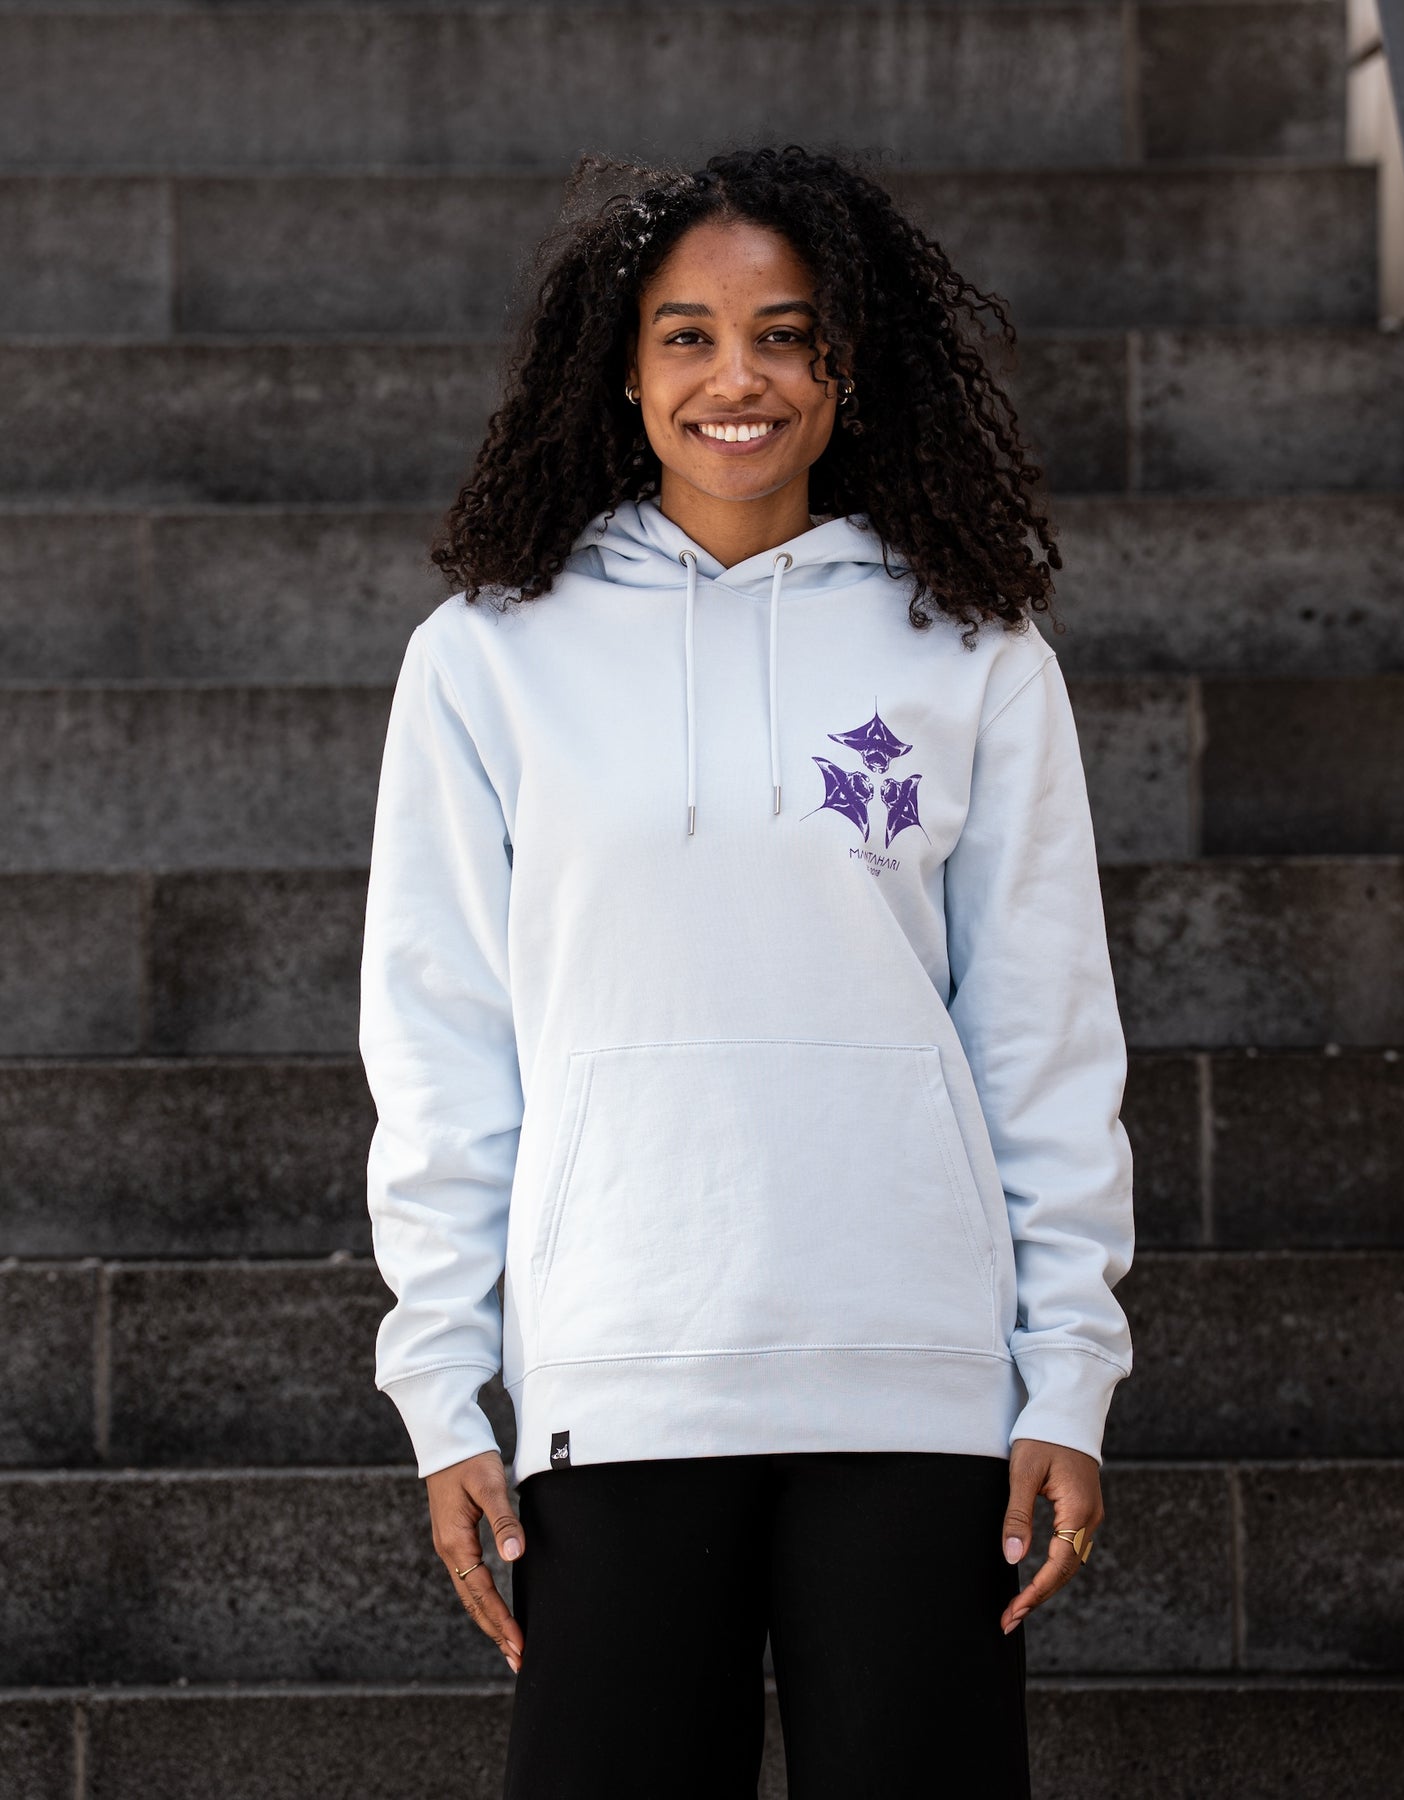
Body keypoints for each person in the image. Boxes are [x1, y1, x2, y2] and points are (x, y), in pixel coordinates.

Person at [358, 142, 1135, 1799]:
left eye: (786, 335)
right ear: (624, 373)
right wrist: (441, 1387)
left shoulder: (974, 650)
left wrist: (1067, 1371)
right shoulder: (487, 658)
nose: (739, 379)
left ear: (848, 367)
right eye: (689, 337)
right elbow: (439, 1043)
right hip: (618, 1381)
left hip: (919, 1386)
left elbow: (1045, 1033)